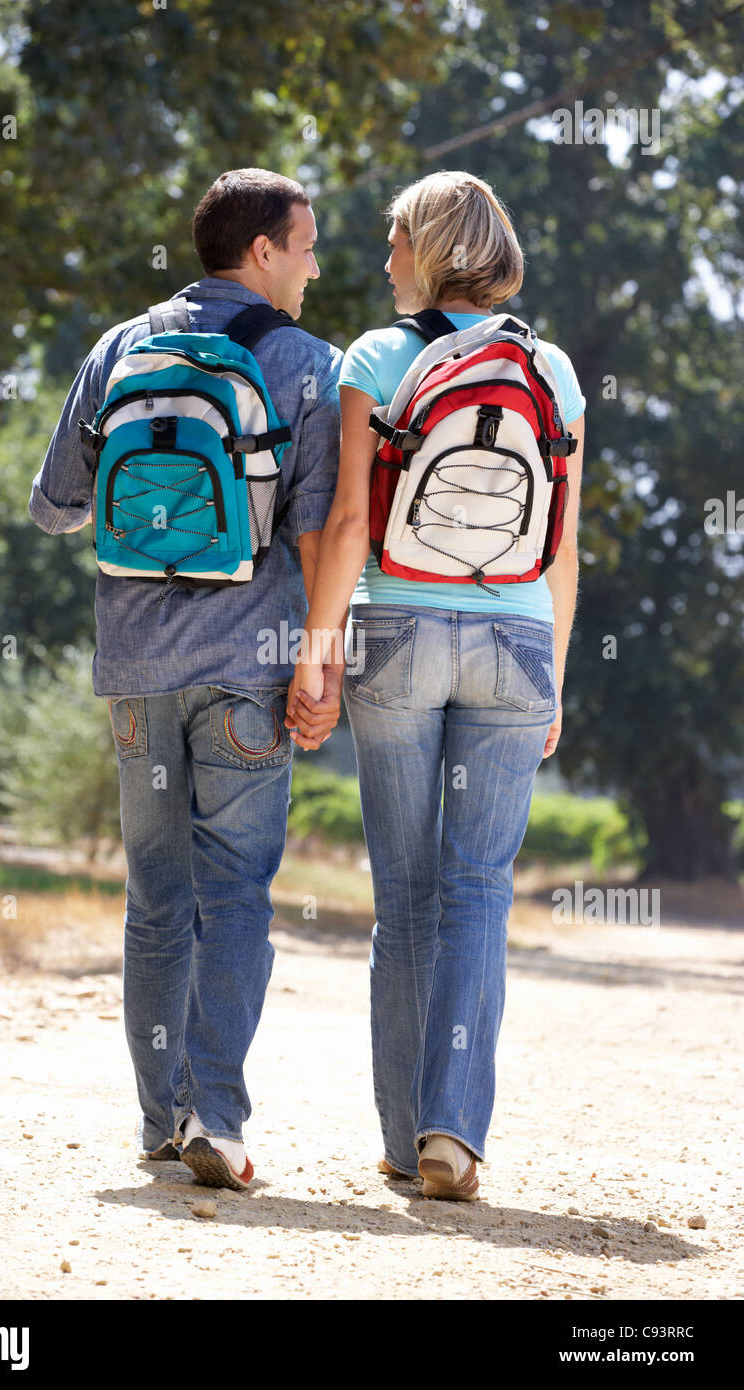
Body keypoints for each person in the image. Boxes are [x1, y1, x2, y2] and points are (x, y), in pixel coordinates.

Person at [30, 168, 342, 1190]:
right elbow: (314, 534)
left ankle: (160, 1122)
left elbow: (55, 506)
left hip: (134, 668)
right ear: (260, 252)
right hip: (246, 668)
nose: (310, 263)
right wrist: (319, 662)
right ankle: (220, 1116)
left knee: (154, 900)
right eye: (303, 245)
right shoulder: (302, 363)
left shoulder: (119, 346)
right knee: (237, 895)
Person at [289, 170, 586, 1200]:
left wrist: (315, 652)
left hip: (398, 630)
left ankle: (398, 1130)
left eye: (391, 242)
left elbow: (346, 527)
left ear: (426, 248)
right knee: (477, 891)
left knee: (404, 896)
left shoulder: (376, 355)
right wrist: (549, 677)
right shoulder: (549, 368)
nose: (379, 263)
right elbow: (561, 550)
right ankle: (451, 1135)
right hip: (512, 641)